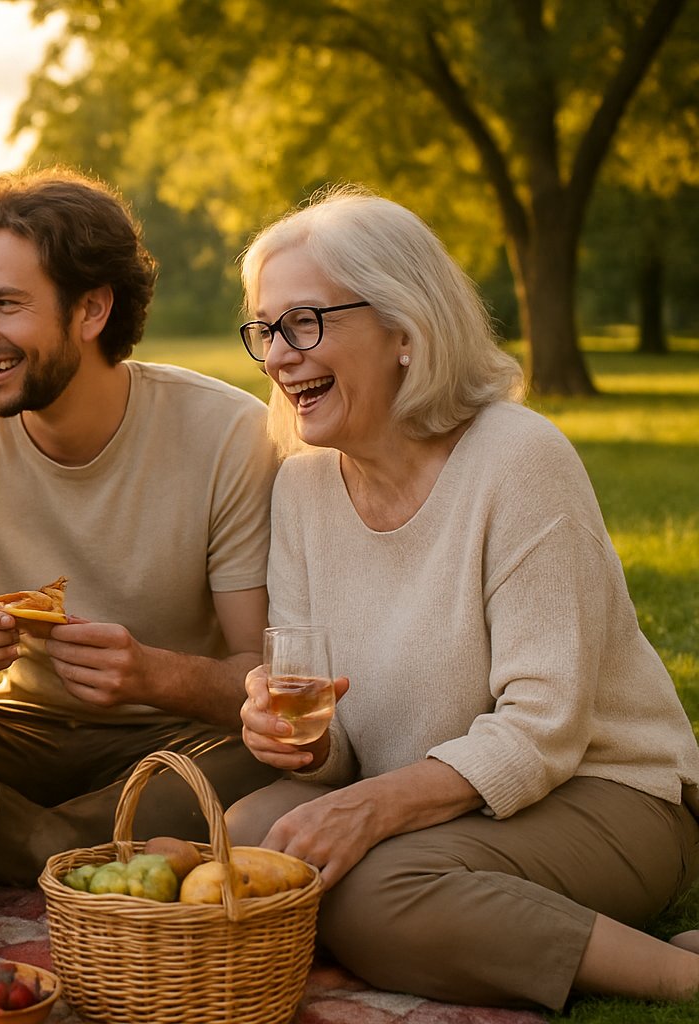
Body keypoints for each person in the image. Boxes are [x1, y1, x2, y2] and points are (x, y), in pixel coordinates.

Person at [228, 185, 699, 1009]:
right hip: (439, 793)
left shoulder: (518, 458)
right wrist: (294, 737)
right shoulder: (302, 487)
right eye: (266, 330)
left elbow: (543, 729)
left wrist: (371, 809)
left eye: (304, 323)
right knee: (239, 838)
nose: (278, 355)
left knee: (366, 893)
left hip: (606, 793)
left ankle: (680, 972)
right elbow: (338, 745)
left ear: (405, 330)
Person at [0, 167, 280, 885]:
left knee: (273, 750)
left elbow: (257, 684)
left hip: (178, 740)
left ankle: (21, 845)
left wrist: (150, 673)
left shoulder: (228, 435)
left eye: (5, 305)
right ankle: (97, 854)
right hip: (22, 729)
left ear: (92, 310)